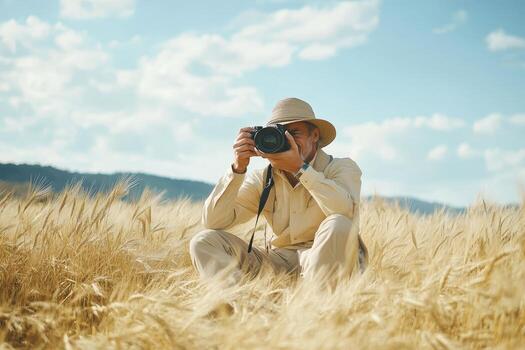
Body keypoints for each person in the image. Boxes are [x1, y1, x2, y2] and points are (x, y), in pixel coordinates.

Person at [189, 97, 368, 286]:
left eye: (294, 132)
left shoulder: (341, 168)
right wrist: (238, 168)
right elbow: (213, 221)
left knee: (338, 223)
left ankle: (316, 309)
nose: (288, 139)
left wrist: (300, 169)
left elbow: (344, 212)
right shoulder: (263, 178)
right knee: (204, 240)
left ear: (314, 135)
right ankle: (242, 307)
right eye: (280, 134)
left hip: (326, 258)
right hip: (277, 262)